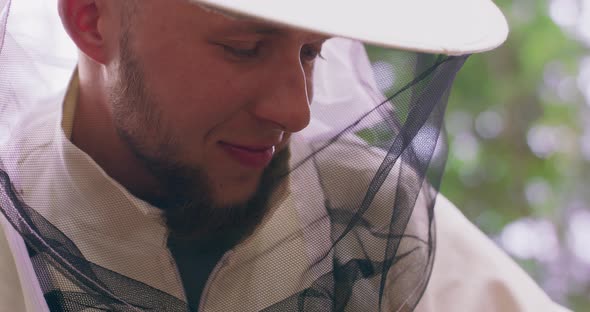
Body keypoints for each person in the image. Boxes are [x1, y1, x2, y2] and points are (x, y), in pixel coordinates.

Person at [0, 0, 570, 311]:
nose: (295, 113)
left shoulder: (369, 211)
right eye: (243, 49)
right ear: (89, 19)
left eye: (310, 53)